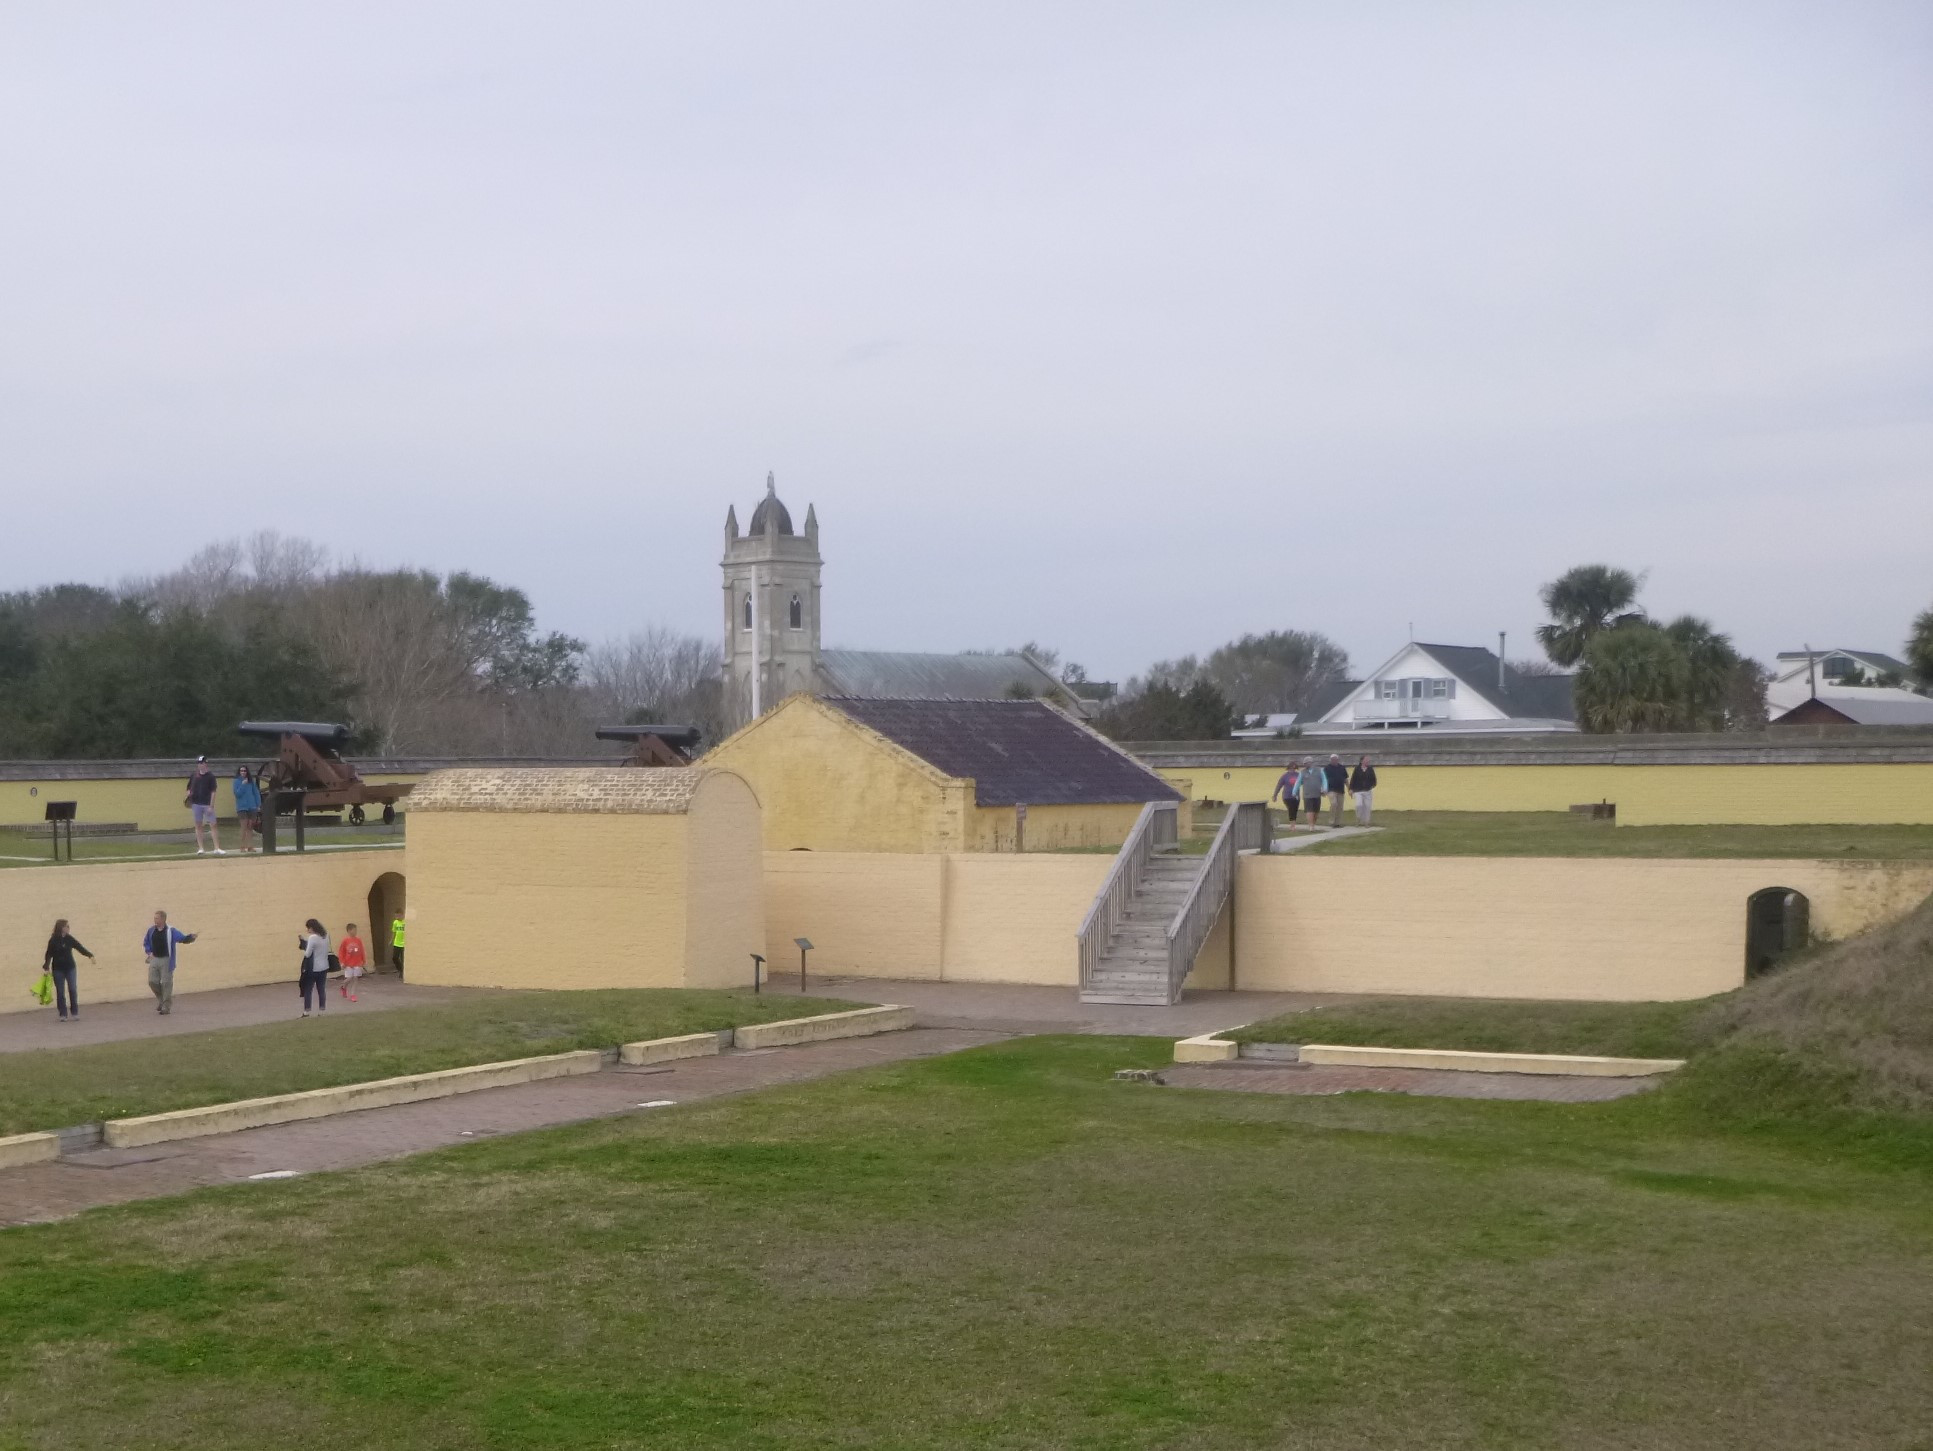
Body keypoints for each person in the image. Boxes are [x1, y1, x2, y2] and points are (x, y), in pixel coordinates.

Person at [143, 911, 196, 1015]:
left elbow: (182, 938)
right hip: (154, 958)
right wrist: (149, 952)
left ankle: (166, 1007)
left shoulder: (171, 931)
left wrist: (190, 938)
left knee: (166, 983)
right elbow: (146, 942)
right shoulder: (151, 930)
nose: (155, 920)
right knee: (152, 981)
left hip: (166, 959)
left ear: (163, 919)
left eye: (157, 918)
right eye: (155, 918)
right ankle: (162, 1000)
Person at [42, 918, 94, 1023]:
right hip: (58, 969)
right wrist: (46, 967)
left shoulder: (69, 939)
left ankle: (74, 1012)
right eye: (67, 926)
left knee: (73, 989)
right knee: (60, 992)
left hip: (70, 968)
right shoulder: (53, 940)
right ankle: (63, 1014)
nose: (68, 928)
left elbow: (79, 947)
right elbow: (48, 954)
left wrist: (89, 955)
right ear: (62, 928)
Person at [186, 757, 224, 855]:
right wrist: (189, 793)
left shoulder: (211, 776)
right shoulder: (194, 775)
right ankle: (201, 848)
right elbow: (188, 788)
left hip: (207, 804)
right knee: (198, 825)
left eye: (202, 763)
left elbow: (213, 792)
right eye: (199, 763)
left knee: (213, 824)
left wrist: (211, 805)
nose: (200, 765)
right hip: (196, 804)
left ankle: (217, 848)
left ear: (206, 764)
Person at [298, 919, 331, 1016]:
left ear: (311, 928)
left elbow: (308, 954)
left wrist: (303, 948)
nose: (308, 930)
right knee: (321, 989)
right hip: (324, 966)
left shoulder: (312, 937)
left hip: (313, 967)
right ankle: (322, 1011)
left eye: (308, 928)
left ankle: (307, 1011)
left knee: (308, 989)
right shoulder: (325, 935)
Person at [233, 766, 263, 854]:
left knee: (250, 827)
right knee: (243, 826)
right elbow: (237, 794)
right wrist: (243, 784)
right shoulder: (236, 782)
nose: (243, 772)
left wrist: (258, 804)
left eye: (244, 771)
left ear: (247, 772)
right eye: (241, 770)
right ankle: (242, 846)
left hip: (252, 806)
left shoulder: (251, 782)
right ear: (239, 772)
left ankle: (250, 846)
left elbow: (256, 793)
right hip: (242, 807)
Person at [338, 922, 366, 1001]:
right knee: (349, 978)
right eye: (354, 930)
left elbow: (361, 950)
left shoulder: (358, 940)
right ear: (349, 931)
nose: (356, 931)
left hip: (357, 963)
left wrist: (363, 960)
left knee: (355, 978)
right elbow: (341, 952)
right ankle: (343, 987)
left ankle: (353, 994)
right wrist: (342, 962)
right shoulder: (345, 941)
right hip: (348, 963)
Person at [1349, 755, 1378, 826]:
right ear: (1362, 761)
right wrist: (1351, 789)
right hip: (1358, 791)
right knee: (1359, 805)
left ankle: (1366, 822)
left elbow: (1374, 780)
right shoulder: (1357, 769)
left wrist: (1372, 785)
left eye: (1368, 760)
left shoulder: (1370, 769)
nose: (1368, 761)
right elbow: (1353, 779)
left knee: (1367, 806)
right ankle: (1358, 820)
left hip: (1367, 791)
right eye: (1366, 760)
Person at [1299, 757, 1326, 828]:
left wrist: (1324, 789)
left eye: (1307, 763)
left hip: (1317, 793)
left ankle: (1313, 824)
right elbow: (1298, 783)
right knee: (1309, 810)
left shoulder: (1319, 770)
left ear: (1311, 763)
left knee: (1316, 811)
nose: (1305, 765)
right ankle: (1311, 825)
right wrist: (1294, 792)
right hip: (1307, 794)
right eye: (1304, 764)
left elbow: (1324, 780)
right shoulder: (1302, 772)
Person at [1324, 754, 1349, 828]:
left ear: (1338, 760)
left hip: (1340, 790)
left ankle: (1337, 823)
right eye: (1332, 759)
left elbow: (1345, 779)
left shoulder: (1342, 768)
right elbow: (1323, 779)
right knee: (1334, 804)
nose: (1334, 760)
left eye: (1335, 759)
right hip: (1331, 789)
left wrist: (1349, 788)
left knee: (1340, 807)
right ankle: (1331, 821)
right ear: (1330, 760)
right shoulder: (1327, 768)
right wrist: (1323, 789)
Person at [390, 915, 406, 980]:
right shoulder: (395, 922)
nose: (396, 917)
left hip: (404, 944)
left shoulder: (405, 922)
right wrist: (391, 940)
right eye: (395, 915)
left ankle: (403, 973)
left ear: (401, 915)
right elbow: (394, 932)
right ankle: (400, 969)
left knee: (403, 959)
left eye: (398, 915)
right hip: (397, 943)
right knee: (395, 958)